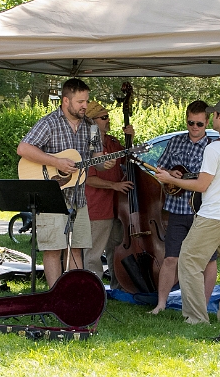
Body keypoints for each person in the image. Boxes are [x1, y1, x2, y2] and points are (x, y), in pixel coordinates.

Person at [155, 99, 220, 324]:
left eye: (212, 115)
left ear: (218, 117)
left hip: (213, 215)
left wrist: (170, 179)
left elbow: (201, 185)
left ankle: (196, 318)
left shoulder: (215, 147)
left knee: (188, 260)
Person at [16, 78, 115, 288]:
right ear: (65, 101)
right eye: (80, 101)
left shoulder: (91, 127)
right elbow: (23, 149)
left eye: (86, 101)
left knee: (76, 247)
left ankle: (73, 294)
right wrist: (55, 161)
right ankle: (55, 297)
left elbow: (96, 160)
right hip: (51, 196)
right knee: (53, 249)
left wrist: (103, 163)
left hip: (78, 197)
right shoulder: (49, 122)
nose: (85, 106)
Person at [150, 100, 218, 314]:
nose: (194, 128)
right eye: (190, 123)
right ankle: (161, 304)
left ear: (207, 122)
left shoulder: (214, 147)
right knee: (171, 258)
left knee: (208, 260)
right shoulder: (175, 141)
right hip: (178, 209)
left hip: (204, 212)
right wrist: (170, 175)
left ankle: (204, 307)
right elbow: (159, 170)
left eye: (199, 124)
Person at [83, 102, 134, 289]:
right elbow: (88, 178)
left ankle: (118, 287)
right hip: (97, 206)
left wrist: (130, 140)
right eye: (103, 117)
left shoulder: (112, 142)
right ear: (92, 121)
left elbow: (128, 161)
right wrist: (115, 185)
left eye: (107, 116)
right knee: (93, 254)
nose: (108, 120)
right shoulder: (86, 145)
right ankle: (92, 291)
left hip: (117, 207)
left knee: (116, 249)